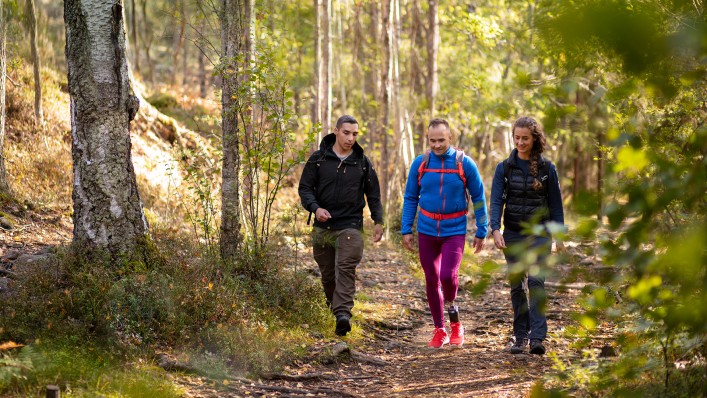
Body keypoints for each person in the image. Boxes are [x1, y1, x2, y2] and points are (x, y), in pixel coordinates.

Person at [401, 118, 488, 348]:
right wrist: (405, 228)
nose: (437, 145)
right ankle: (439, 329)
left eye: (441, 140)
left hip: (454, 229)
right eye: (432, 141)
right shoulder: (421, 163)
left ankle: (455, 321)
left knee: (448, 276)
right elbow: (410, 197)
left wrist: (482, 228)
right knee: (431, 279)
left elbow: (478, 197)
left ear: (450, 138)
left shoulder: (464, 163)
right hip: (427, 229)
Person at [298, 115, 384, 337]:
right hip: (322, 226)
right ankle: (334, 308)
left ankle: (343, 315)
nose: (350, 138)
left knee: (345, 268)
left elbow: (373, 194)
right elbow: (305, 189)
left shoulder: (362, 162)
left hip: (351, 225)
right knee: (327, 274)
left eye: (355, 134)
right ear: (336, 131)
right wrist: (316, 208)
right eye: (346, 133)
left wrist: (378, 221)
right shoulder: (318, 159)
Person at [489, 116, 565, 355]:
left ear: (534, 139)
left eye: (525, 138)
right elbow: (496, 201)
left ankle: (538, 338)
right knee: (517, 287)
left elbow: (555, 205)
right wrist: (495, 229)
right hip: (513, 234)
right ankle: (520, 337)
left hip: (540, 234)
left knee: (536, 282)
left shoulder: (546, 169)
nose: (520, 142)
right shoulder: (504, 168)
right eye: (517, 138)